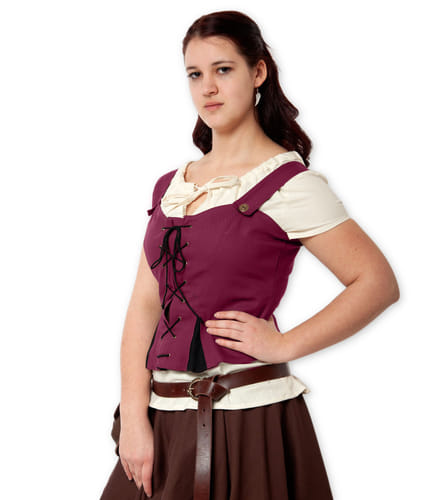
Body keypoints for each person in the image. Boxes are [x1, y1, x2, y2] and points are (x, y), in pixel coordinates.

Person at [99, 9, 399, 500]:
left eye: (223, 69)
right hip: (162, 420)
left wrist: (285, 345)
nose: (208, 88)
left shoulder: (289, 184)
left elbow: (377, 282)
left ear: (258, 72)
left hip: (249, 419)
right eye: (195, 74)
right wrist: (133, 418)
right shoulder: (172, 186)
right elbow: (145, 305)